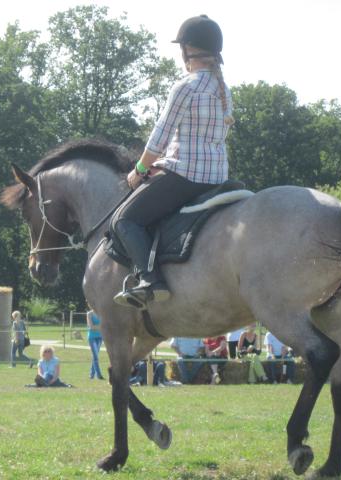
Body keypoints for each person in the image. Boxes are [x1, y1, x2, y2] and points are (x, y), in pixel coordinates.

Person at [112, 14, 233, 308]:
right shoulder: (223, 89)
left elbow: (159, 137)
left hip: (186, 177)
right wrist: (164, 162)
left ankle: (149, 279)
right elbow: (203, 139)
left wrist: (139, 171)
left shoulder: (186, 86)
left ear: (187, 50)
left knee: (124, 220)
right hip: (218, 176)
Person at [86, 309, 104, 380]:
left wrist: (97, 326)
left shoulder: (101, 312)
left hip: (100, 337)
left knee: (95, 356)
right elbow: (91, 327)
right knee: (96, 356)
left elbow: (104, 324)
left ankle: (91, 374)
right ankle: (98, 375)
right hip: (92, 337)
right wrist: (100, 326)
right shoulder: (89, 314)